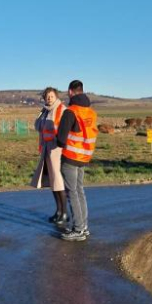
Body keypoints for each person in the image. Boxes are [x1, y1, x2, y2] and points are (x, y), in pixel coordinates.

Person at [55, 80, 98, 242]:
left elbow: (61, 138)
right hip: (84, 156)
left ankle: (78, 229)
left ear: (70, 92)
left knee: (72, 193)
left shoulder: (70, 112)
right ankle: (83, 226)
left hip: (71, 157)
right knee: (79, 191)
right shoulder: (90, 112)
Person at [30, 87, 68, 224]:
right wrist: (41, 112)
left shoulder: (61, 110)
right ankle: (58, 211)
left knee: (58, 181)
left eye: (51, 96)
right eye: (47, 96)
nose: (49, 98)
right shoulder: (46, 111)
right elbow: (37, 126)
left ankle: (64, 213)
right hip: (47, 149)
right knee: (53, 182)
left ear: (56, 97)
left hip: (56, 150)